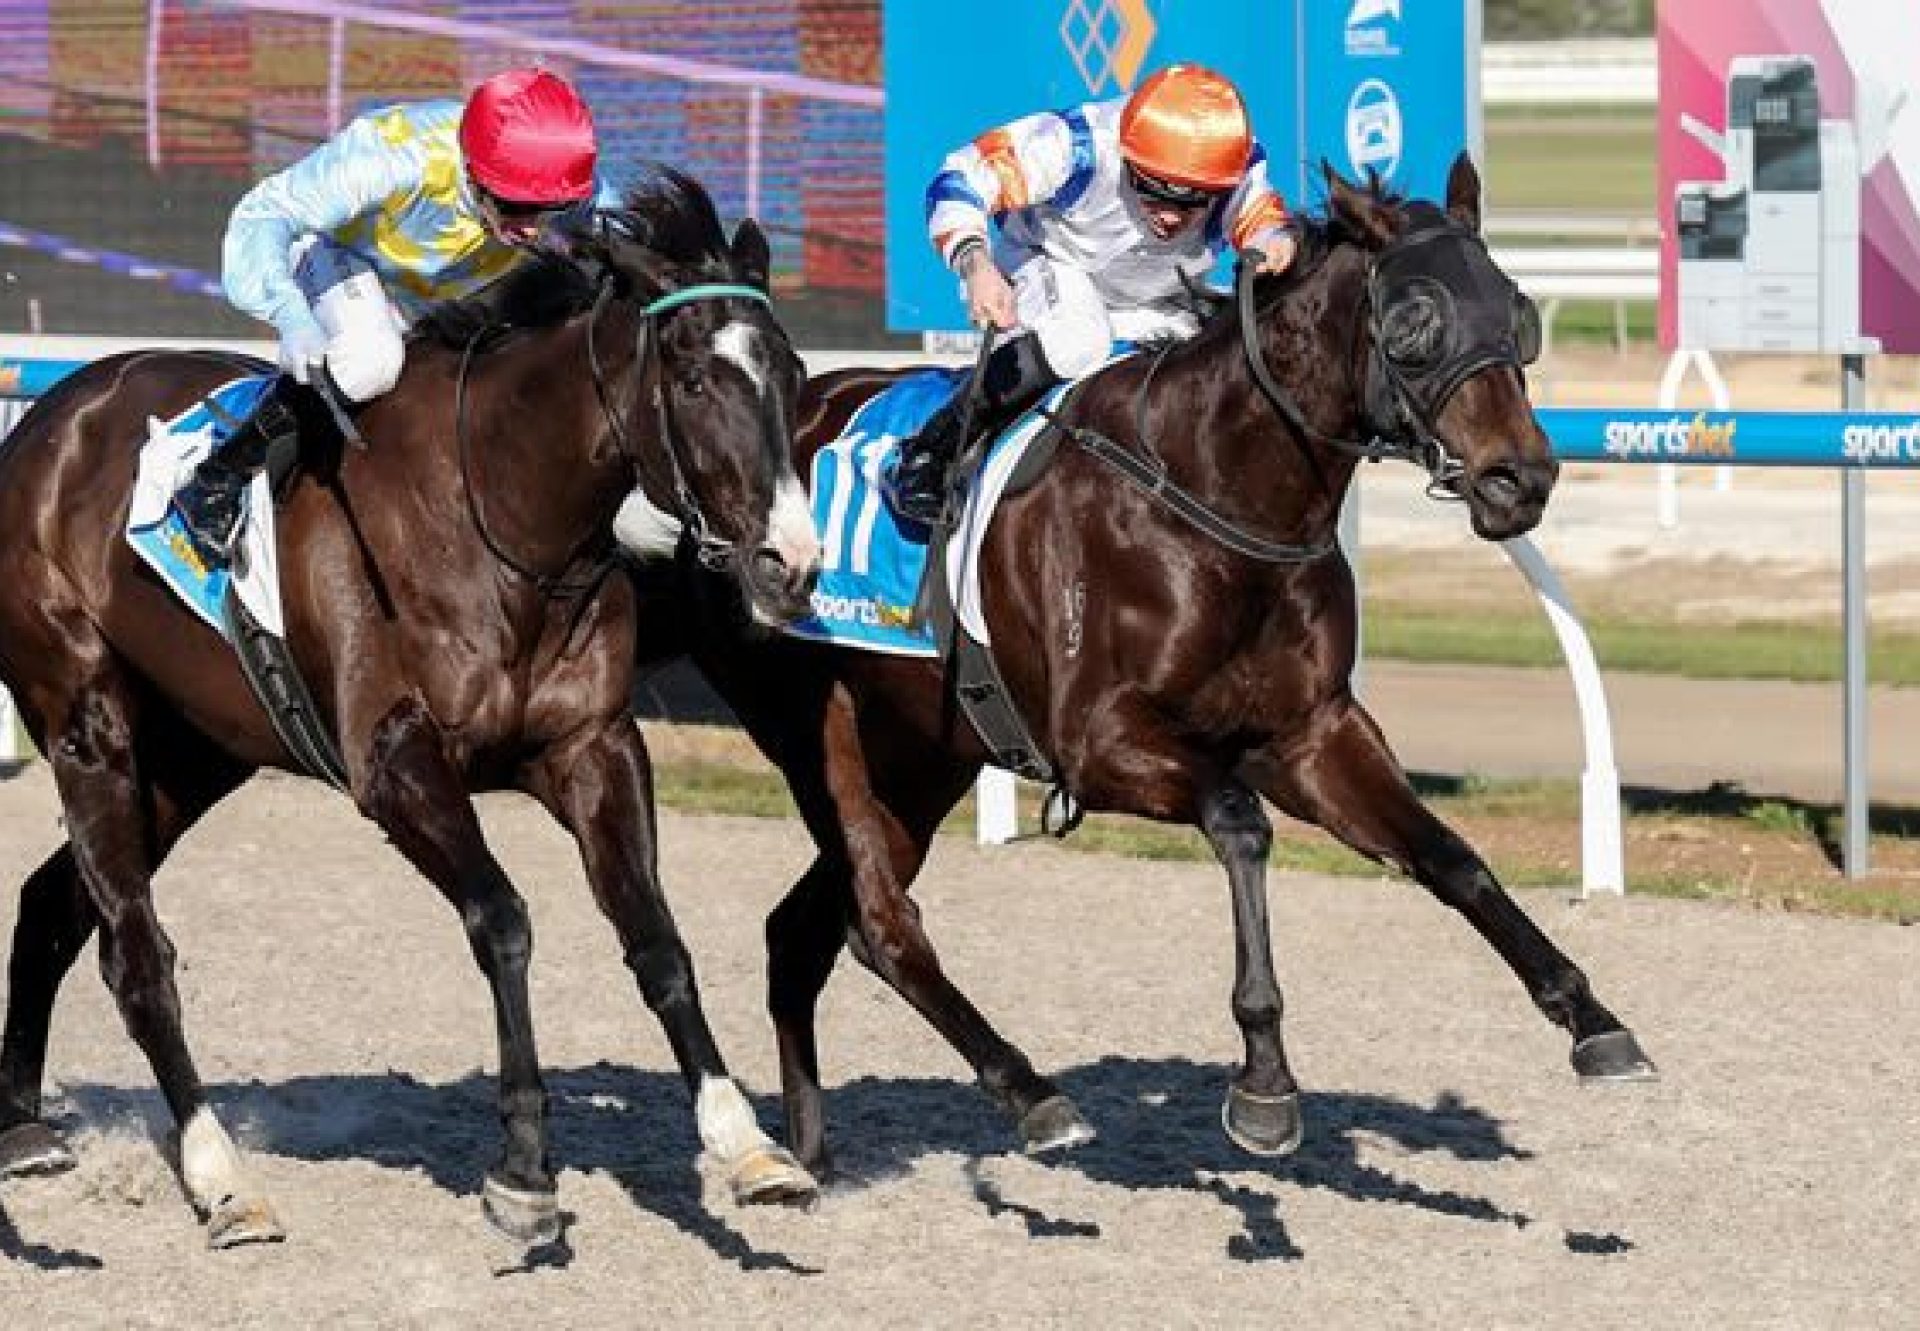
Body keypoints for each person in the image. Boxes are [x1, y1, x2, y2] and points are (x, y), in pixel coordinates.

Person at [173, 66, 612, 568]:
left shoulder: (566, 183)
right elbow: (265, 214)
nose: (532, 230)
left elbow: (635, 243)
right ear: (473, 171)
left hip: (431, 297)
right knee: (372, 360)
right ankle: (221, 473)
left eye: (547, 209)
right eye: (516, 207)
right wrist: (291, 314)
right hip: (337, 257)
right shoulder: (393, 159)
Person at [892, 62, 1300, 524]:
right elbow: (960, 177)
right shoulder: (1078, 143)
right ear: (1127, 157)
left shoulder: (1238, 171)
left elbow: (1265, 225)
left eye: (1190, 201)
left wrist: (1276, 245)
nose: (1168, 217)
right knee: (1078, 342)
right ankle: (932, 452)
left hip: (1155, 295)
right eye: (1151, 191)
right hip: (1052, 261)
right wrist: (975, 263)